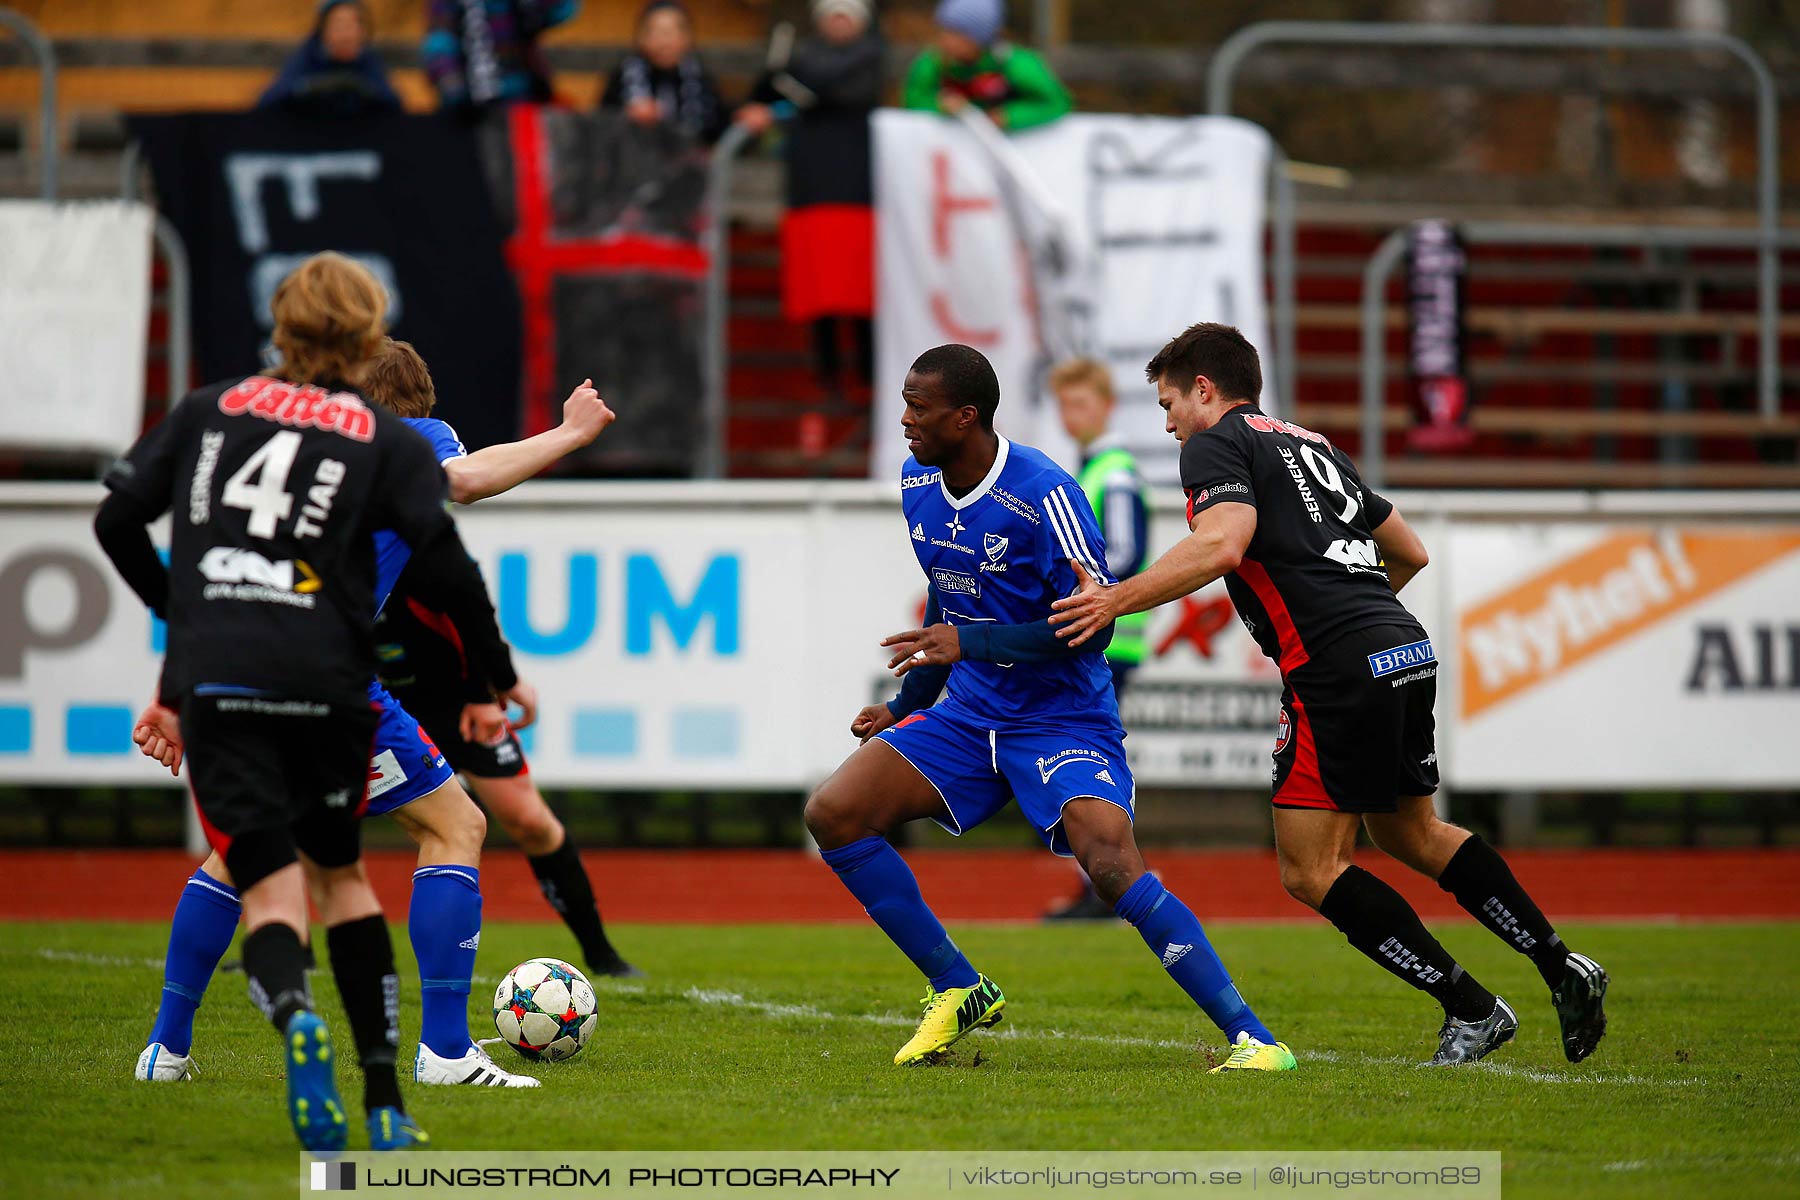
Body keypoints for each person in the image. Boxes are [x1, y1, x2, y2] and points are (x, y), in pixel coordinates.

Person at [1051, 322, 1610, 1067]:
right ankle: (1561, 964)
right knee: (1411, 833)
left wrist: (1115, 599)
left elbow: (1223, 544)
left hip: (1337, 667)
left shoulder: (1215, 443)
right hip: (1403, 644)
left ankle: (1472, 1008)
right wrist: (1365, 616)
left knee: (1309, 869)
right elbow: (1408, 549)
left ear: (1205, 390)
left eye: (1169, 402)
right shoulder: (1310, 443)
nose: (1168, 421)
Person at [92, 253, 505, 1149]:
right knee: (374, 866)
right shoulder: (387, 440)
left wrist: (179, 651)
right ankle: (402, 1081)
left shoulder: (215, 413)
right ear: (366, 333)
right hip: (330, 682)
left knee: (248, 869)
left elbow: (121, 522)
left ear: (280, 326)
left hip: (219, 680)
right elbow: (452, 553)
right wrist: (491, 682)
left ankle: (199, 1037)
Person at [132, 344, 619, 1093]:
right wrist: (569, 435)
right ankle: (446, 1052)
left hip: (235, 665)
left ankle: (164, 1051)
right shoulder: (400, 438)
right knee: (454, 826)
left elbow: (209, 565)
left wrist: (175, 688)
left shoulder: (285, 452)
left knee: (245, 850)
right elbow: (468, 479)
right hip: (327, 675)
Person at [803, 343, 1294, 1073]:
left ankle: (1253, 1037)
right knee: (833, 814)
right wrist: (906, 701)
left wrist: (966, 644)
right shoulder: (917, 480)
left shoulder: (1046, 494)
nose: (903, 420)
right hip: (970, 714)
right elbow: (951, 588)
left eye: (918, 407)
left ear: (965, 417)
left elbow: (1092, 623)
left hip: (1062, 717)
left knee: (1109, 863)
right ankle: (957, 986)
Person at [365, 339, 639, 978]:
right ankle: (281, 953)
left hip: (445, 696)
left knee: (526, 821)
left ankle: (601, 952)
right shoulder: (372, 477)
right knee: (334, 827)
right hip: (363, 690)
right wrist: (570, 433)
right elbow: (465, 481)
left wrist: (488, 693)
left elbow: (468, 606)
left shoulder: (416, 523)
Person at [1042, 358, 1151, 921]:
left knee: (1085, 763)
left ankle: (1108, 886)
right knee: (1085, 761)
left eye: (1081, 402)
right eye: (1064, 403)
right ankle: (1108, 885)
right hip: (1099, 640)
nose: (1071, 414)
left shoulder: (1111, 472)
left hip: (1107, 642)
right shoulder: (1095, 468)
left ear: (1106, 406)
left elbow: (1125, 555)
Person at [736, 0, 884, 391]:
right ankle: (828, 370)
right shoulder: (795, 57)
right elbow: (765, 93)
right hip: (812, 188)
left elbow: (845, 96)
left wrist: (796, 90)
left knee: (859, 288)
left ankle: (868, 371)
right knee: (820, 284)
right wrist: (778, 84)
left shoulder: (868, 57)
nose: (838, 23)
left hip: (859, 190)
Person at [901, 0, 1070, 133]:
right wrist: (940, 105)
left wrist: (1008, 117)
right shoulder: (935, 61)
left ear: (978, 37)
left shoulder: (1013, 63)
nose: (945, 40)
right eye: (943, 31)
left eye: (956, 33)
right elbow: (912, 99)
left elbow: (1057, 102)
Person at [600, 1, 728, 145]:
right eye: (655, 32)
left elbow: (718, 127)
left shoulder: (701, 79)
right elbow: (601, 125)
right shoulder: (623, 77)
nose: (664, 42)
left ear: (687, 38)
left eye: (672, 32)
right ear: (641, 38)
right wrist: (628, 116)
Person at [424, 0, 577, 114]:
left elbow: (561, 11)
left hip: (523, 101)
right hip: (471, 110)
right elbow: (439, 46)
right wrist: (455, 92)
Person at [258, 0, 402, 119]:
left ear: (363, 32)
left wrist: (365, 90)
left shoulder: (368, 60)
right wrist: (308, 88)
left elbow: (394, 104)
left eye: (352, 25)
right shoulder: (307, 57)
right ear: (323, 30)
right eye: (339, 25)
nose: (346, 34)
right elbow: (268, 101)